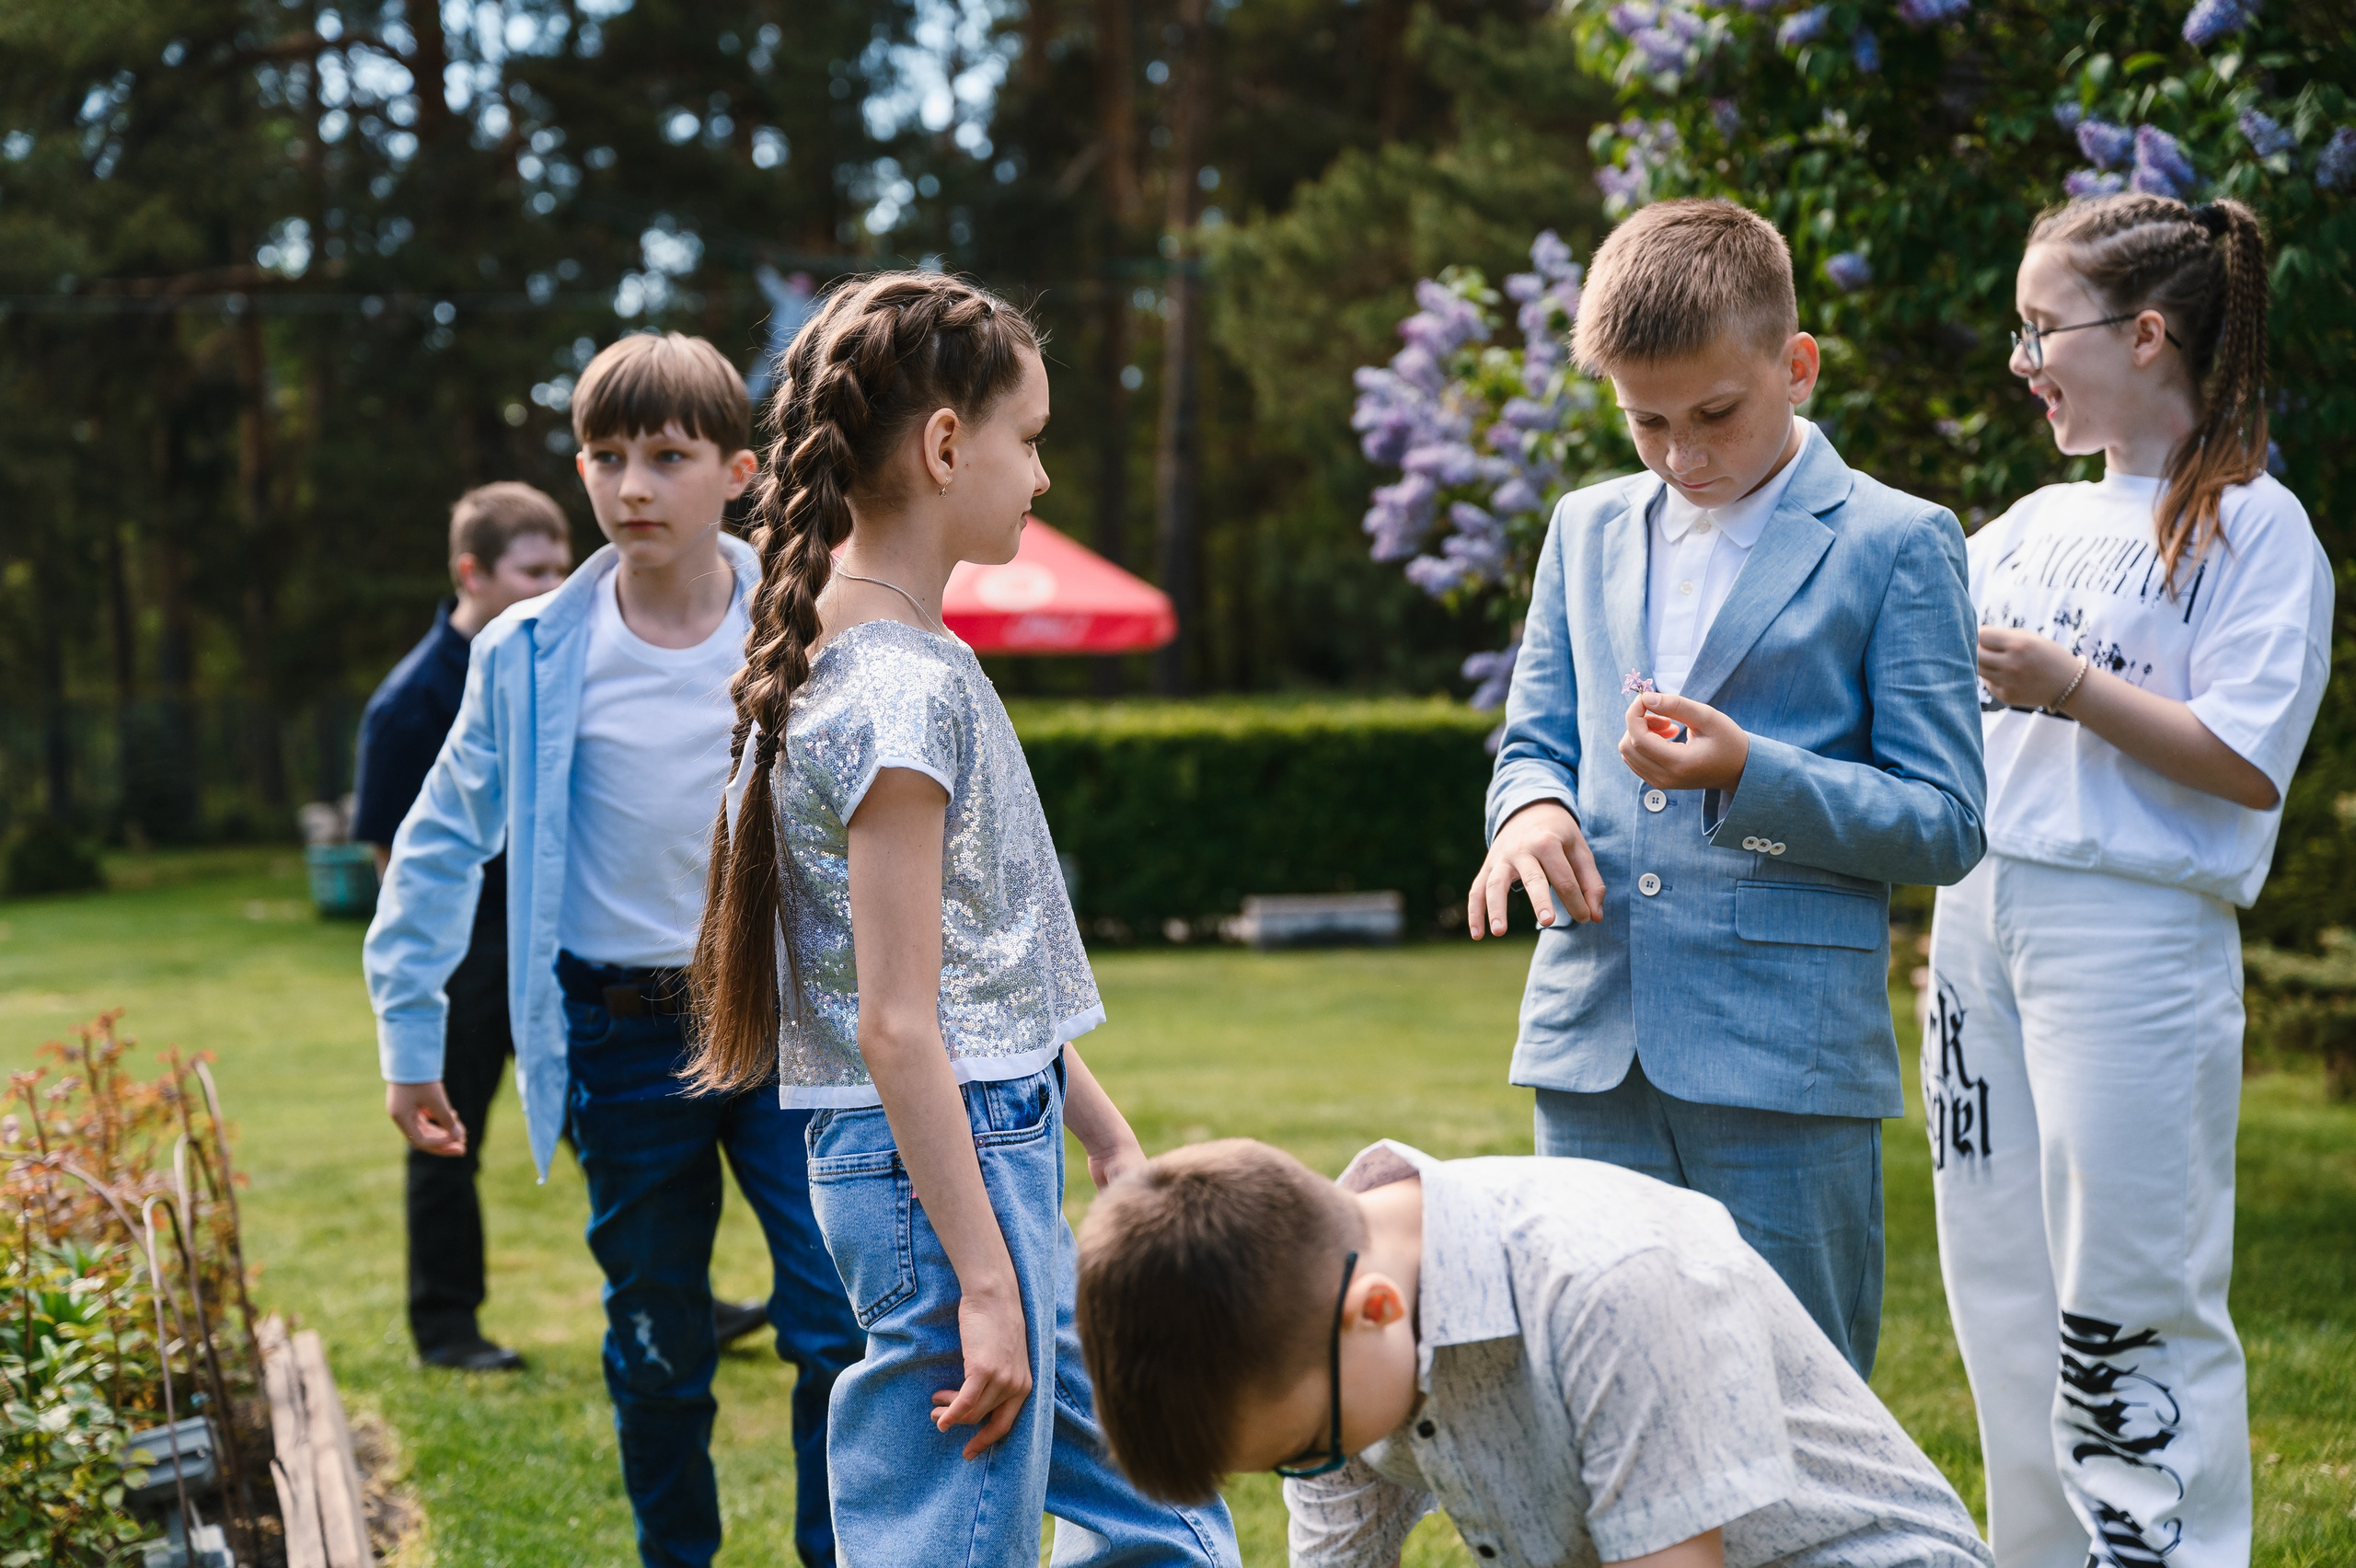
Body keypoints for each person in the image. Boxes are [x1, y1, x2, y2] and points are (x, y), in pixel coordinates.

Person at [687, 271, 1239, 1568]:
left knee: (1159, 1499)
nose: (1040, 480)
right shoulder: (892, 689)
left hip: (989, 1137)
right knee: (953, 1534)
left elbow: (978, 972)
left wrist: (1099, 1134)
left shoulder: (898, 659)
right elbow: (894, 1022)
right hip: (941, 1170)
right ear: (946, 446)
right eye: (1030, 440)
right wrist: (985, 1281)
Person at [363, 333, 860, 1568]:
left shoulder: (808, 625)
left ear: (740, 471)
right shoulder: (528, 653)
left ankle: (837, 1553)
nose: (633, 484)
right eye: (605, 455)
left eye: (669, 455)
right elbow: (435, 847)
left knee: (838, 1329)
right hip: (620, 1032)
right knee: (654, 1341)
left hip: (786, 1016)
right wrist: (411, 1038)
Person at [1467, 197, 1986, 1377]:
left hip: (1784, 1060)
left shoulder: (1897, 543)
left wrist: (1751, 773)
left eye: (1714, 414)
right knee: (1602, 1390)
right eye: (1645, 422)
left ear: (1794, 366)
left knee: (1794, 1395)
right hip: (1591, 1039)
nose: (1680, 454)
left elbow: (1947, 822)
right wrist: (1531, 811)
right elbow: (1535, 740)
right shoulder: (1584, 526)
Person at [1927, 194, 2329, 1568]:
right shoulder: (2028, 521)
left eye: (2044, 328)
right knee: (1998, 1276)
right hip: (1982, 922)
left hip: (2132, 939)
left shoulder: (2255, 531)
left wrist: (2074, 687)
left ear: (2146, 334)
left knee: (2131, 1285)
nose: (2023, 359)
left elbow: (2245, 761)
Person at [1075, 1136, 1995, 1568]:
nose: (1315, 1471)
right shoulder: (1310, 1327)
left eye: (1308, 1452)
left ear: (1375, 1308)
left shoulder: (1609, 1284)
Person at [352, 481, 572, 1371]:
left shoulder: (556, 665)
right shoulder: (409, 702)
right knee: (448, 1136)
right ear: (470, 572)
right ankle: (446, 1328)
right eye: (534, 571)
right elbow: (393, 860)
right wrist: (429, 986)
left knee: (616, 1127)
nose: (555, 586)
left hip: (557, 942)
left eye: (563, 566)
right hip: (465, 961)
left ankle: (677, 1304)